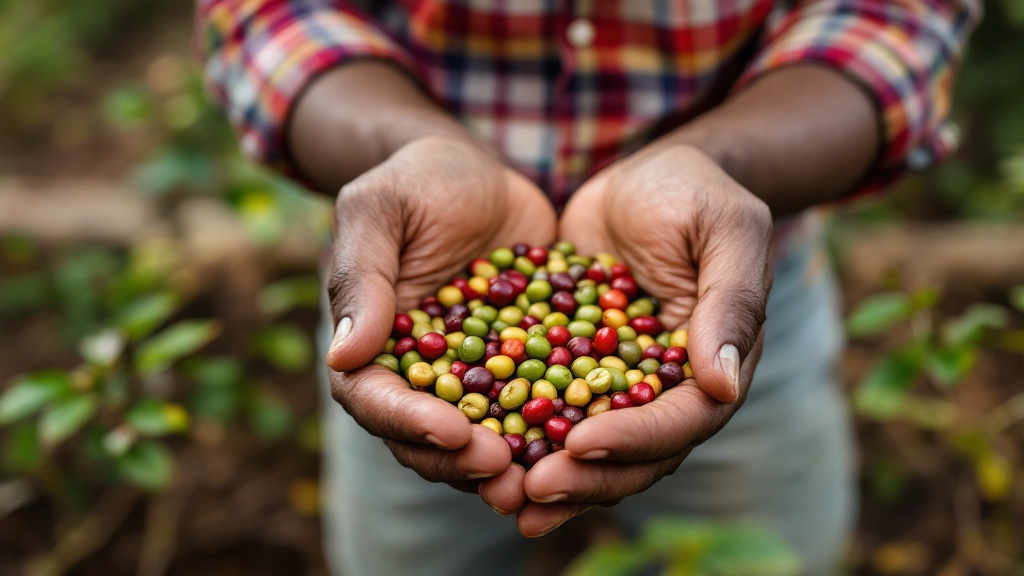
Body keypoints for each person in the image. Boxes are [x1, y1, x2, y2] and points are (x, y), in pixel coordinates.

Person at [197, 1, 979, 574]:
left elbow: (895, 18)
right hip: (406, 280)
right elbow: (267, 16)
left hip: (726, 291)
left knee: (766, 556)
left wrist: (725, 164)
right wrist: (412, 146)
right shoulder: (468, 345)